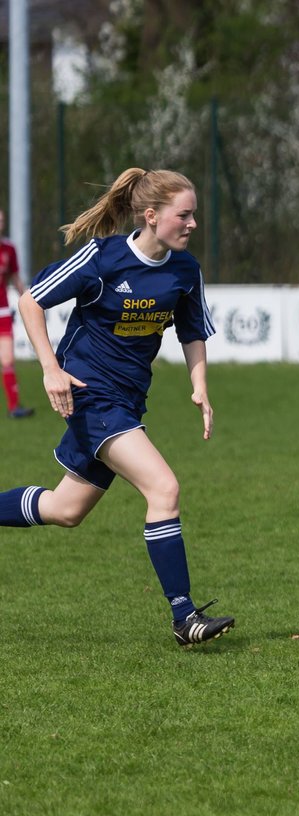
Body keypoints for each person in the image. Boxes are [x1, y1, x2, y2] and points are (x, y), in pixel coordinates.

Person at [0, 168, 234, 647]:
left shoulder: (184, 270)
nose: (192, 225)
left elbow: (192, 331)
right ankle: (184, 616)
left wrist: (200, 385)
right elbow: (29, 302)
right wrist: (49, 369)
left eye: (194, 216)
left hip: (127, 400)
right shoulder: (103, 259)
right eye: (183, 216)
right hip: (90, 396)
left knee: (65, 509)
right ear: (151, 216)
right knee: (164, 488)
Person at [0, 209, 35, 418]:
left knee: (7, 360)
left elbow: (15, 278)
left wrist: (28, 299)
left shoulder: (9, 248)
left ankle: (14, 407)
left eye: (2, 220)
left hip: (3, 311)